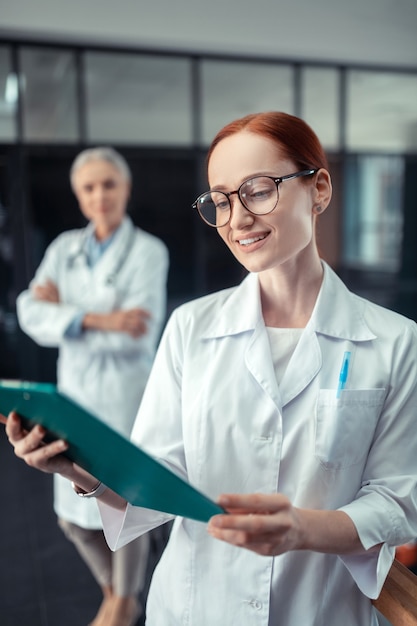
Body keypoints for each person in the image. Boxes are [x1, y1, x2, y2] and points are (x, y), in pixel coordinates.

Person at [4, 112, 417, 626]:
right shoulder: (190, 328)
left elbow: (398, 503)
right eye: (220, 200)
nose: (237, 218)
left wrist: (303, 530)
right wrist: (73, 468)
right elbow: (157, 481)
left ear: (320, 190)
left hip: (321, 609)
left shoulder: (397, 341)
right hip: (194, 607)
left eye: (258, 190)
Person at [14, 147, 169, 626]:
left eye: (108, 184)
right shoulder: (64, 249)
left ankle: (123, 599)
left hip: (126, 397)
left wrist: (65, 317)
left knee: (123, 505)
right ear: (79, 196)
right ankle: (117, 591)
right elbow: (28, 314)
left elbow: (136, 336)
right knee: (70, 518)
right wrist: (101, 318)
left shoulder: (148, 251)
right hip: (74, 394)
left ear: (125, 189)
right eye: (89, 187)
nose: (99, 195)